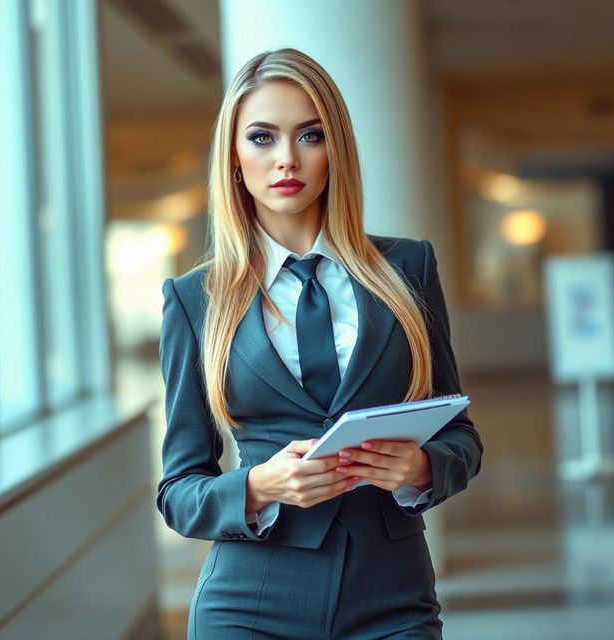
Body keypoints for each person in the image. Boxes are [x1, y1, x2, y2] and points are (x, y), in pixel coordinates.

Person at [157, 47, 483, 640]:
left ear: (336, 151)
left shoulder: (408, 268)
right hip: (250, 603)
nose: (286, 158)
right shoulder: (194, 300)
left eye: (310, 134)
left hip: (392, 600)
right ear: (234, 156)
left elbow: (460, 435)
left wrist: (420, 467)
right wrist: (259, 486)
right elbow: (179, 491)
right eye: (261, 138)